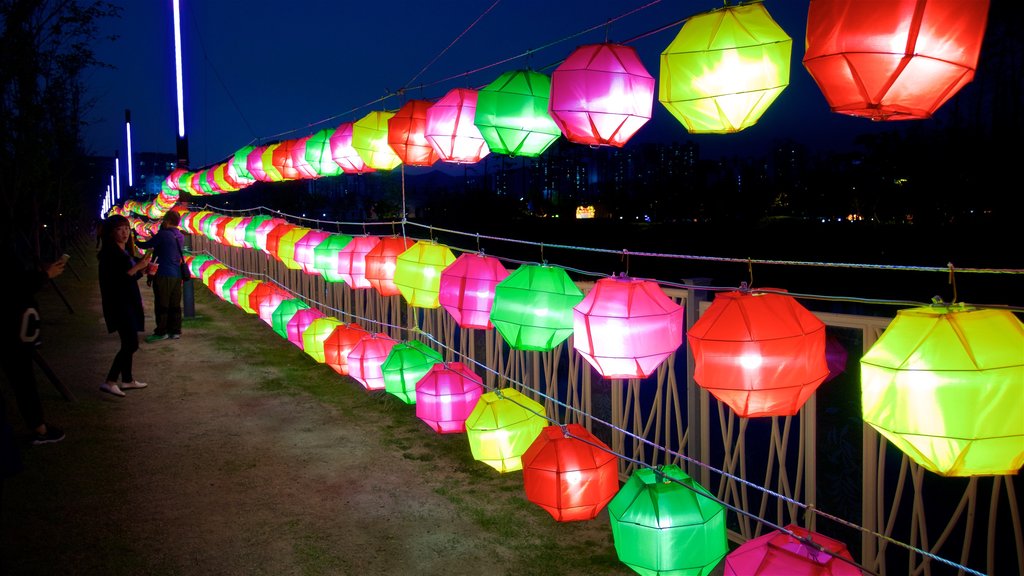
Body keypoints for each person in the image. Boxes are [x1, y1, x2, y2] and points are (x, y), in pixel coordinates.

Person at [1, 256, 68, 445]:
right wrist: (45, 275)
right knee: (23, 379)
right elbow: (14, 287)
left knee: (22, 379)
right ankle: (39, 428)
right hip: (12, 329)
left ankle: (37, 426)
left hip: (17, 327)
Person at [97, 215, 151, 398]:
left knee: (129, 340)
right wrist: (138, 267)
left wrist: (143, 270)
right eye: (120, 229)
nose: (125, 232)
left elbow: (130, 278)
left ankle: (127, 380)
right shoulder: (108, 254)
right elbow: (117, 281)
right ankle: (110, 381)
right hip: (118, 303)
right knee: (131, 343)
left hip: (128, 301)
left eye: (127, 228)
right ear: (112, 232)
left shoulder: (124, 252)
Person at [136, 210, 186, 342]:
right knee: (174, 305)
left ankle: (161, 331)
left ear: (167, 221)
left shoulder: (163, 234)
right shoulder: (180, 236)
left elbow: (146, 245)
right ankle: (174, 331)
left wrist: (135, 239)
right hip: (177, 275)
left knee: (162, 304)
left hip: (163, 273)